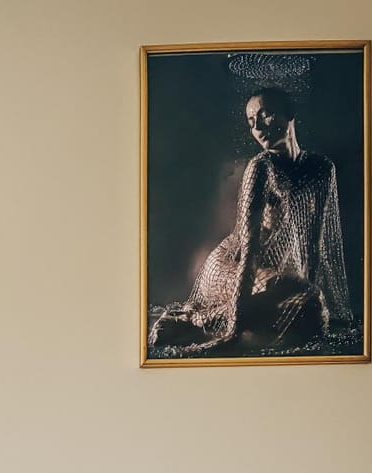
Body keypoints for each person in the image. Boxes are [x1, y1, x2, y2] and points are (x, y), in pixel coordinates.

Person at [150, 86, 352, 354]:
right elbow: (249, 250)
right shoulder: (260, 168)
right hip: (233, 264)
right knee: (304, 301)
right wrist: (234, 330)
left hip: (271, 276)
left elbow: (312, 243)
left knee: (313, 313)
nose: (257, 127)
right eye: (250, 121)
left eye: (265, 115)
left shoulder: (322, 169)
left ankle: (192, 321)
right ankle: (196, 320)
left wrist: (307, 292)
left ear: (289, 114)